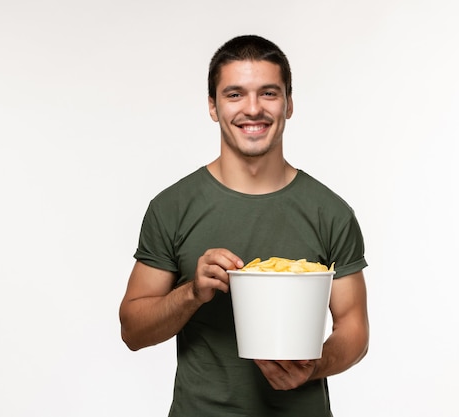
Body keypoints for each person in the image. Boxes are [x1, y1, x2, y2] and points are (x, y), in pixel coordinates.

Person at [119, 35, 369, 417]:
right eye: (234, 94)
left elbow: (354, 328)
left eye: (268, 93)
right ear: (212, 106)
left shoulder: (330, 212)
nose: (253, 109)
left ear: (288, 105)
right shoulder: (172, 208)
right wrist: (192, 293)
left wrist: (313, 368)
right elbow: (132, 330)